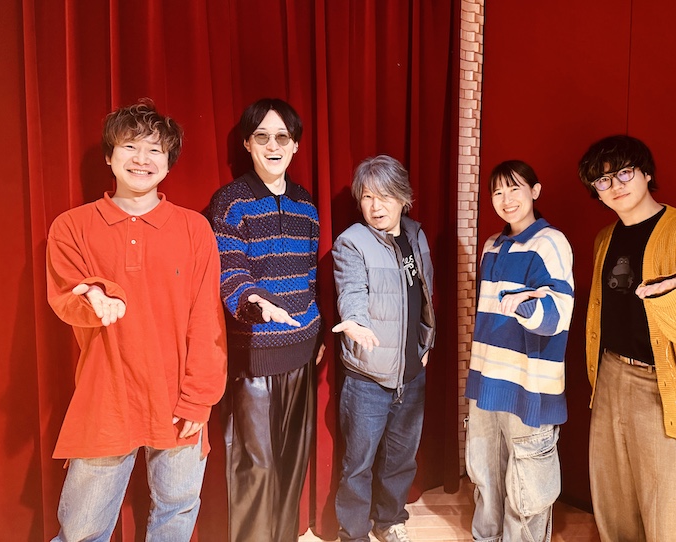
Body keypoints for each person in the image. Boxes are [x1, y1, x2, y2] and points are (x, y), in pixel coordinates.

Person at [46, 99, 227, 541]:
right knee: (81, 529)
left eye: (155, 150)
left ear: (168, 162)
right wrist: (93, 293)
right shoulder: (72, 226)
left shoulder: (194, 229)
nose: (142, 159)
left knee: (176, 514)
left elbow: (207, 320)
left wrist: (199, 398)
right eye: (130, 146)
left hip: (179, 396)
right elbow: (67, 297)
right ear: (110, 156)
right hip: (105, 395)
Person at [577, 135, 676, 542]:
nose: (615, 186)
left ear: (646, 173)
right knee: (614, 501)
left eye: (624, 173)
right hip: (611, 378)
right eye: (603, 180)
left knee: (673, 510)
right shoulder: (604, 239)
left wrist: (673, 297)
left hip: (667, 386)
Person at [207, 98, 324, 542]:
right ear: (247, 144)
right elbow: (230, 272)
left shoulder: (306, 204)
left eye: (281, 137)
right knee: (255, 467)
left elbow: (310, 276)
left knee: (292, 463)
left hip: (302, 350)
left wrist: (317, 329)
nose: (272, 146)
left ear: (295, 146)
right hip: (254, 354)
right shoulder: (230, 202)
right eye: (262, 137)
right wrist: (258, 301)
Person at [464, 160, 574, 542]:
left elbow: (558, 312)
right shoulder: (491, 246)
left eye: (515, 188)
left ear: (535, 191)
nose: (506, 199)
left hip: (529, 386)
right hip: (487, 381)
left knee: (528, 486)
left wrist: (528, 306)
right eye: (498, 191)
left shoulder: (550, 243)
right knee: (485, 474)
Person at [331, 155, 436, 542]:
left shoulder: (416, 236)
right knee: (357, 464)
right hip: (368, 378)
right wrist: (355, 321)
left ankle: (390, 520)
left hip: (412, 373)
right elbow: (351, 290)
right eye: (367, 197)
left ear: (403, 198)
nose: (376, 206)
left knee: (401, 459)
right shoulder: (352, 242)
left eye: (385, 196)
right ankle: (353, 533)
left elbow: (425, 297)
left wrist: (426, 343)